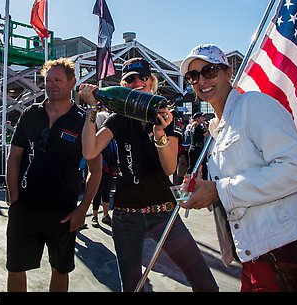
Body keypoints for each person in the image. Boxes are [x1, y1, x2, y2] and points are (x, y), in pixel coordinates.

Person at [178, 43, 297, 292]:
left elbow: (296, 170)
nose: (201, 80)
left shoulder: (253, 105)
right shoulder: (216, 129)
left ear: (227, 72)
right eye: (193, 76)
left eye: (209, 70)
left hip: (293, 256)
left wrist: (220, 190)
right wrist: (203, 190)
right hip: (254, 256)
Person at [78, 57, 219, 292]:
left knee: (204, 282)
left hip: (164, 213)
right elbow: (90, 149)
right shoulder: (119, 119)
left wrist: (159, 134)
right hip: (126, 217)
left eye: (142, 77)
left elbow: (169, 169)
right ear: (124, 86)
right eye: (130, 79)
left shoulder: (164, 116)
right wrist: (92, 108)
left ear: (151, 81)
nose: (137, 83)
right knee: (133, 288)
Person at [5, 57, 103, 292]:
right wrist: (14, 199)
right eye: (47, 80)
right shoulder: (30, 114)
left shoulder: (82, 121)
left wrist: (82, 209)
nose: (51, 85)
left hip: (63, 212)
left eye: (58, 80)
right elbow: (14, 157)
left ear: (72, 83)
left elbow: (96, 170)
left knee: (60, 269)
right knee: (15, 267)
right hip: (25, 207)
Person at [90, 109, 118, 228]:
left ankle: (105, 215)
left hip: (109, 168)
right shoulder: (97, 136)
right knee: (98, 191)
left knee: (106, 190)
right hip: (100, 167)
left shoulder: (110, 137)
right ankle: (95, 216)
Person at [187, 111, 209, 180]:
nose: (204, 118)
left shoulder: (192, 127)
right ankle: (205, 181)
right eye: (202, 117)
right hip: (198, 149)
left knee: (192, 167)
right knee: (203, 166)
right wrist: (205, 125)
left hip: (192, 148)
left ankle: (187, 180)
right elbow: (207, 134)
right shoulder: (198, 127)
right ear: (198, 118)